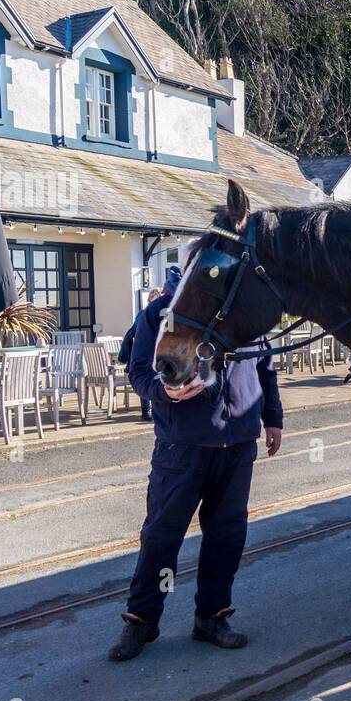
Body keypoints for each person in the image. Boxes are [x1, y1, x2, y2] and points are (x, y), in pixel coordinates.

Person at [108, 266, 285, 661]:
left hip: (238, 442)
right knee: (162, 535)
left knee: (227, 534)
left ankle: (212, 617)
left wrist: (273, 417)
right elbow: (138, 372)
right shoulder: (157, 315)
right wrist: (167, 393)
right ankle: (141, 621)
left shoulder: (245, 311)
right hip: (181, 445)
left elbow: (265, 367)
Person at [119, 282, 169, 424]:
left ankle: (151, 410)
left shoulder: (166, 314)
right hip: (148, 352)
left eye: (158, 296)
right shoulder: (146, 314)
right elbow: (131, 334)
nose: (156, 300)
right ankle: (146, 410)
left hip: (161, 353)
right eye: (154, 297)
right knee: (148, 375)